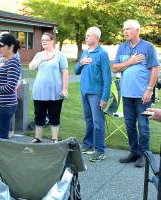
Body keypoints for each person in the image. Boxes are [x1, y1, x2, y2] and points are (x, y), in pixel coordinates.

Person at [113, 20, 159, 167]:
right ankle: (134, 152)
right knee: (130, 125)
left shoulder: (148, 47)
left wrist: (149, 90)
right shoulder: (122, 47)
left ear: (137, 30)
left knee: (143, 126)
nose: (125, 31)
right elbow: (115, 68)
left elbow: (154, 69)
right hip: (127, 95)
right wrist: (131, 61)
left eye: (128, 29)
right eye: (123, 29)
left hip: (143, 96)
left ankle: (144, 155)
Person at [74, 27, 111, 162]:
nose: (86, 37)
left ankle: (100, 150)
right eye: (86, 35)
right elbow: (76, 71)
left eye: (89, 36)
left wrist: (104, 98)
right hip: (84, 91)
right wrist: (81, 62)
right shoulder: (84, 52)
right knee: (88, 120)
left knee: (97, 122)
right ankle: (88, 144)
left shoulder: (102, 53)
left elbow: (107, 78)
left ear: (96, 38)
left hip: (96, 94)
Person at [29, 32, 68, 143]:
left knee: (54, 115)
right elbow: (31, 67)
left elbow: (65, 72)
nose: (44, 42)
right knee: (39, 114)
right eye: (42, 40)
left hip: (55, 92)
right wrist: (42, 59)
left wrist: (65, 89)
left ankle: (54, 138)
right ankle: (38, 137)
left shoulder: (60, 55)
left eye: (47, 39)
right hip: (39, 91)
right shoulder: (39, 55)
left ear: (52, 41)